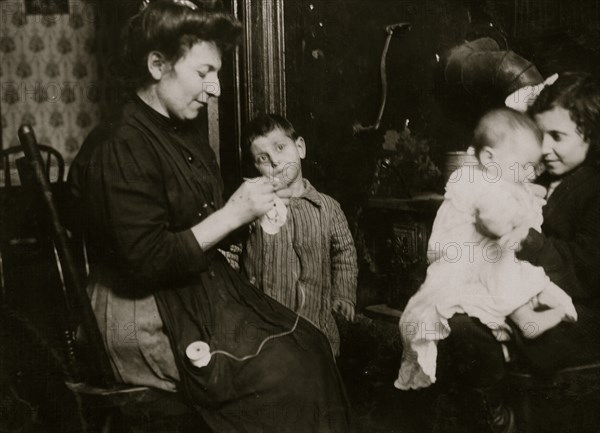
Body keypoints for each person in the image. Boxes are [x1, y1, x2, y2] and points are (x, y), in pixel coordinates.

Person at [67, 1, 352, 432]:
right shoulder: (120, 143)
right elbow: (145, 261)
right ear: (158, 65)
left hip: (193, 292)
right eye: (204, 72)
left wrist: (248, 213)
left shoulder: (184, 131)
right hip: (143, 312)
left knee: (309, 346)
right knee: (288, 374)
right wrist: (234, 214)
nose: (215, 87)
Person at [433, 72, 600, 433]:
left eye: (558, 137)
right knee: (452, 315)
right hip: (523, 287)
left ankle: (494, 416)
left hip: (578, 309)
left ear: (591, 135)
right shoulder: (535, 178)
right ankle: (483, 409)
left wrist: (529, 241)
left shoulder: (593, 191)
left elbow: (587, 270)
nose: (544, 148)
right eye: (540, 137)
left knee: (467, 328)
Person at [394, 108, 577, 391]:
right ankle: (528, 322)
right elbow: (489, 220)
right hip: (470, 262)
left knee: (518, 278)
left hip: (483, 260)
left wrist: (529, 195)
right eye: (523, 165)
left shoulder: (500, 179)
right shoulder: (480, 185)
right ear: (489, 159)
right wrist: (513, 228)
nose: (529, 173)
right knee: (507, 278)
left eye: (533, 166)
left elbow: (525, 192)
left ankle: (528, 321)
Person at [240, 113, 358, 356]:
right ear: (255, 168)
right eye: (263, 158)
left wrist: (344, 295)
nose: (274, 161)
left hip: (317, 331)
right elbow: (231, 251)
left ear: (300, 148)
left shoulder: (328, 208)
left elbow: (344, 253)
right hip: (265, 335)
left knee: (317, 385)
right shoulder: (252, 208)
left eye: (280, 147)